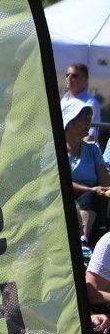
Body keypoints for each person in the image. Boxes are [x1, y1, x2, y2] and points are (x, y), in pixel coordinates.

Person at [62, 94, 106, 238]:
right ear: (69, 123)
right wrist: (90, 189)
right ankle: (82, 240)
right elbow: (61, 182)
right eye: (84, 118)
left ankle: (83, 240)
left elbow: (105, 182)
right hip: (63, 198)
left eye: (89, 117)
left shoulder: (93, 149)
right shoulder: (56, 150)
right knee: (89, 196)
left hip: (92, 199)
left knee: (91, 197)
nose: (89, 122)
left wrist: (102, 189)